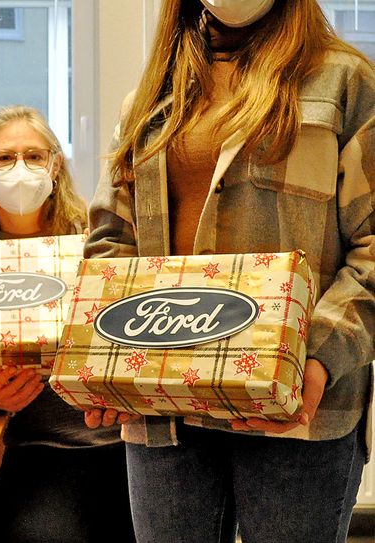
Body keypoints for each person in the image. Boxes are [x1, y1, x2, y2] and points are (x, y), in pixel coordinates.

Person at [85, 1, 375, 541]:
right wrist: (104, 357)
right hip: (161, 407)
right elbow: (111, 240)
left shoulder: (344, 82)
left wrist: (319, 359)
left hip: (297, 408)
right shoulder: (151, 97)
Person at [0, 105, 135, 542]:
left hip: (125, 440)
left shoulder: (98, 248)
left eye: (35, 156)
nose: (22, 167)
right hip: (41, 447)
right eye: (5, 157)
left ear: (56, 165)